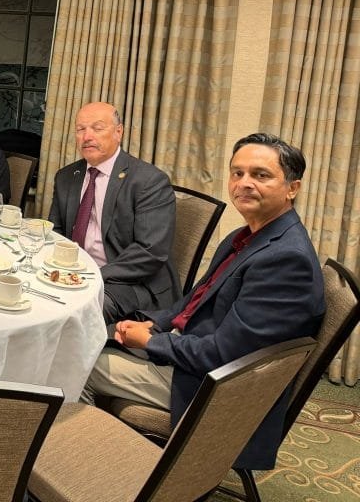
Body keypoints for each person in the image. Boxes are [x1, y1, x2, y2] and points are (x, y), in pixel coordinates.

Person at [83, 133, 325, 470]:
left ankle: (91, 468)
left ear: (292, 188)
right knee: (90, 340)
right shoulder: (248, 236)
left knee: (79, 364)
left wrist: (152, 342)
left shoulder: (286, 260)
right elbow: (194, 302)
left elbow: (225, 355)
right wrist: (156, 323)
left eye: (261, 175)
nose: (244, 183)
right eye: (237, 173)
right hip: (193, 355)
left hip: (215, 389)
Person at [48, 102, 178, 323]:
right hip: (74, 274)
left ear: (119, 132)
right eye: (80, 129)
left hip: (131, 283)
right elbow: (56, 232)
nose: (87, 136)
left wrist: (92, 275)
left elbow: (150, 252)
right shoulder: (67, 176)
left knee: (77, 312)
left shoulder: (149, 181)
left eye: (97, 128)